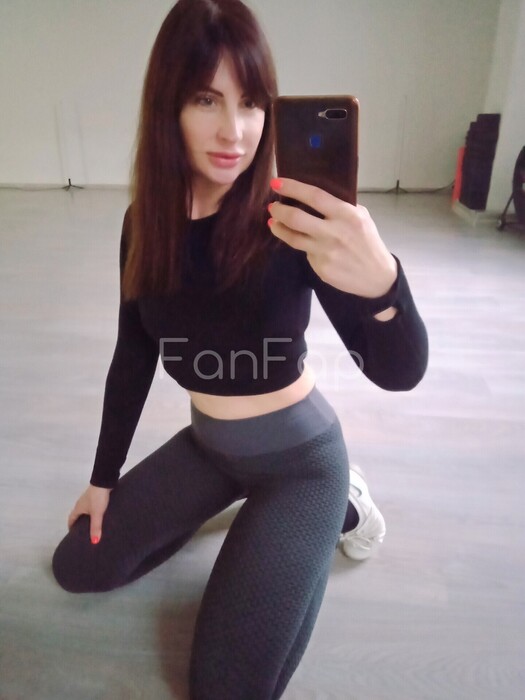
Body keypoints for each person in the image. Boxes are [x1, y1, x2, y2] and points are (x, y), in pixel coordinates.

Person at [52, 0, 428, 697]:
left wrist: (384, 283)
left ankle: (342, 501)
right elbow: (132, 355)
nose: (235, 130)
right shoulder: (145, 222)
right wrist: (102, 479)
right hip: (210, 448)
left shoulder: (290, 221)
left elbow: (399, 371)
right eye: (207, 100)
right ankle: (242, 504)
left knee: (224, 690)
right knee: (77, 566)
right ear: (167, 106)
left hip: (298, 464)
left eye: (252, 102)